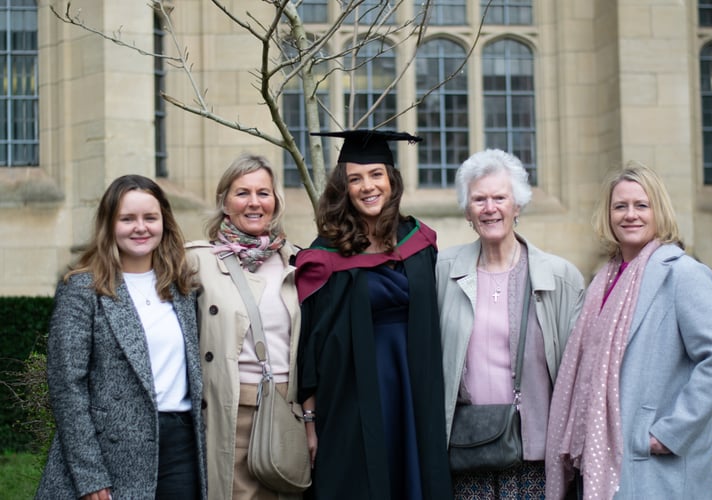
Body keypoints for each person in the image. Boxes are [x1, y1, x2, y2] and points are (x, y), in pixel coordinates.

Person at [545, 162, 712, 499]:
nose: (630, 215)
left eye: (641, 205)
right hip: (599, 460)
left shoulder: (682, 274)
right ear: (608, 215)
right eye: (620, 206)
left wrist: (670, 432)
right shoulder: (603, 281)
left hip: (652, 462)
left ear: (659, 211)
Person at [295, 130, 453, 500]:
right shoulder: (325, 256)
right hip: (352, 402)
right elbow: (311, 347)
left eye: (376, 174)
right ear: (343, 188)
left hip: (415, 393)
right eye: (355, 178)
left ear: (391, 180)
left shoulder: (420, 242)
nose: (368, 186)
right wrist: (310, 421)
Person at [36, 175, 207, 500]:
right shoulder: (82, 290)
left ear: (164, 223)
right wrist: (89, 475)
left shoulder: (182, 287)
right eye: (127, 219)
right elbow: (66, 388)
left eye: (150, 218)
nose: (140, 227)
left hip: (181, 445)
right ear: (109, 225)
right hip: (110, 451)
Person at [436, 149, 585, 498]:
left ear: (517, 205)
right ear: (467, 210)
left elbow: (579, 372)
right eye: (479, 199)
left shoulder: (560, 278)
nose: (490, 208)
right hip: (467, 447)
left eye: (500, 197)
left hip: (535, 455)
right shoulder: (441, 272)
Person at [186, 153, 304, 499]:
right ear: (224, 201)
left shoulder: (296, 260)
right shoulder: (196, 261)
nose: (254, 203)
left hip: (287, 414)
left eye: (263, 193)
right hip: (231, 411)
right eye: (242, 193)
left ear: (276, 201)